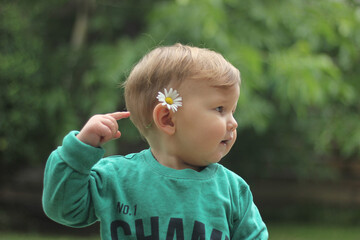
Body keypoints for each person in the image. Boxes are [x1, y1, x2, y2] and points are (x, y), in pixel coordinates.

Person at [42, 43, 268, 240]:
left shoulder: (232, 190)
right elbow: (62, 208)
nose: (233, 123)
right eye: (220, 109)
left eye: (232, 111)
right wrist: (80, 149)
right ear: (167, 118)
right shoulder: (118, 179)